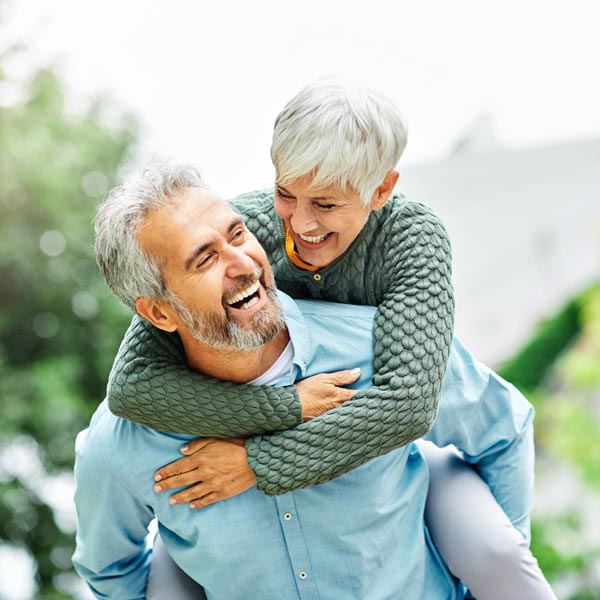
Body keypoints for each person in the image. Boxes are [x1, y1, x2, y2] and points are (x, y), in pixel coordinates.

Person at [100, 80, 555, 598]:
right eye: (285, 193)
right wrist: (287, 408)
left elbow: (407, 406)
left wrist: (256, 463)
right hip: (277, 469)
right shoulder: (248, 233)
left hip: (400, 451)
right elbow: (133, 385)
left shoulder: (412, 240)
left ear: (381, 191)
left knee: (499, 555)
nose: (299, 222)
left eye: (326, 203)